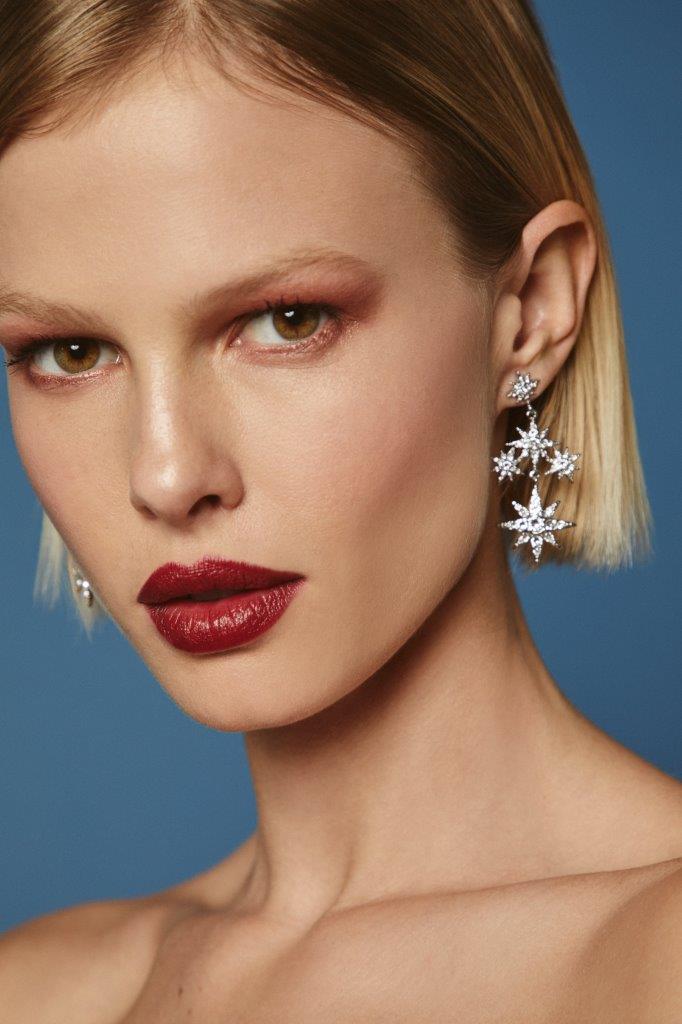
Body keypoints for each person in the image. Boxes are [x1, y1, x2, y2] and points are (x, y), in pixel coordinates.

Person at [1, 0, 680, 1020]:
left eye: (287, 320)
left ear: (532, 311)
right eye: (71, 352)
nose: (166, 474)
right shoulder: (37, 991)